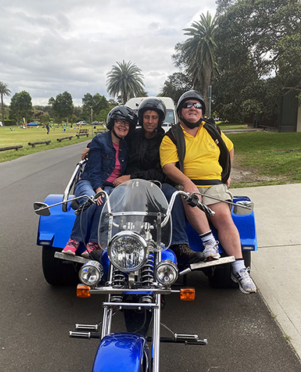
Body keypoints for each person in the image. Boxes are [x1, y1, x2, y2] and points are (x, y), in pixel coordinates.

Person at [82, 98, 203, 265]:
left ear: (160, 119)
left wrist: (132, 177)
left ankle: (180, 244)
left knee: (174, 194)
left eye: (154, 117)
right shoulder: (132, 135)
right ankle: (105, 244)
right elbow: (110, 141)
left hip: (156, 183)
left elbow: (162, 171)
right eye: (146, 117)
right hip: (126, 184)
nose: (150, 121)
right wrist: (91, 147)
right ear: (141, 118)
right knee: (112, 202)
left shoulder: (166, 139)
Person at [160, 90, 256, 294]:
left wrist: (227, 175)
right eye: (187, 105)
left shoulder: (212, 130)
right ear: (180, 111)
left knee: (223, 217)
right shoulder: (172, 136)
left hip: (214, 183)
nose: (192, 108)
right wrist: (186, 182)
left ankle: (240, 270)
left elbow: (229, 149)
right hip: (189, 183)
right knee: (189, 197)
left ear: (202, 111)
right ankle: (209, 243)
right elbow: (168, 166)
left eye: (197, 105)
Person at [62, 106, 137, 258]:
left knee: (106, 204)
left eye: (127, 123)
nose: (123, 125)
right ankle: (74, 240)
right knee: (92, 200)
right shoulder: (99, 141)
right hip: (89, 181)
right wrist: (97, 189)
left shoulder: (127, 146)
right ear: (112, 122)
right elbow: (94, 170)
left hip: (110, 185)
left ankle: (94, 243)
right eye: (119, 121)